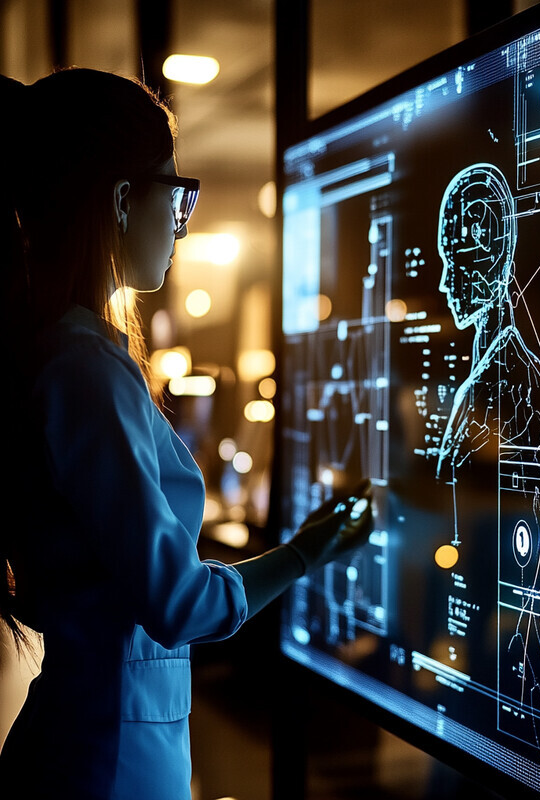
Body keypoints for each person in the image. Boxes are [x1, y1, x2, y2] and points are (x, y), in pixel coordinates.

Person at [0, 67, 373, 800]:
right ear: (119, 201)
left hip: (100, 740)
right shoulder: (83, 370)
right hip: (104, 759)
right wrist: (307, 550)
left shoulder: (74, 354)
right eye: (175, 193)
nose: (179, 218)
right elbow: (179, 604)